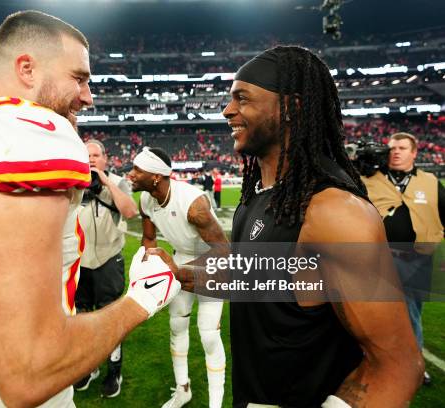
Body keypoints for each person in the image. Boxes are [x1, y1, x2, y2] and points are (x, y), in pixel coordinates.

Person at [0, 10, 179, 407]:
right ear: (26, 68)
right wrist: (142, 300)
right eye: (78, 78)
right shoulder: (31, 136)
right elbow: (28, 373)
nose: (88, 96)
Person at [152, 46, 424, 407]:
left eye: (242, 98)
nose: (227, 110)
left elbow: (399, 364)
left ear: (292, 108)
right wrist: (179, 275)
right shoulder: (258, 197)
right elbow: (254, 275)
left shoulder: (333, 211)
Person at [129, 147, 228, 408]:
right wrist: (145, 269)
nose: (131, 174)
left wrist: (175, 270)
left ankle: (216, 405)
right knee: (177, 325)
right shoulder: (146, 200)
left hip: (211, 263)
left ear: (156, 177)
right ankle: (183, 389)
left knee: (208, 334)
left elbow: (223, 250)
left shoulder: (193, 204)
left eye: (138, 169)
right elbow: (149, 238)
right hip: (180, 258)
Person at [363, 132, 444, 386]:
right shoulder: (368, 178)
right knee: (371, 315)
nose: (395, 151)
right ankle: (376, 363)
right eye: (392, 147)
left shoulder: (430, 182)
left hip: (416, 259)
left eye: (401, 147)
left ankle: (414, 367)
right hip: (376, 259)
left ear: (414, 152)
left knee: (410, 315)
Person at [74, 139, 138, 397]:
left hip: (108, 260)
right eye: (86, 155)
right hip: (80, 261)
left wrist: (105, 181)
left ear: (105, 159)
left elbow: (130, 211)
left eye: (95, 155)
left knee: (109, 317)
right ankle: (88, 367)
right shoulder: (73, 183)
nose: (90, 159)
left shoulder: (118, 182)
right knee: (81, 317)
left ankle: (114, 370)